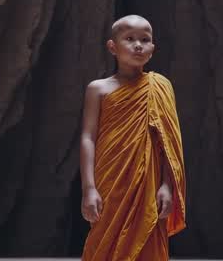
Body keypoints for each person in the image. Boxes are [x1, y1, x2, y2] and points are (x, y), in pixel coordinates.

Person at [79, 14, 186, 261]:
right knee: (105, 241)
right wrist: (89, 188)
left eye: (145, 40)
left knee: (147, 239)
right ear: (112, 47)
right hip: (110, 181)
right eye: (129, 39)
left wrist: (167, 186)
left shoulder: (160, 86)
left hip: (148, 185)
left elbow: (168, 144)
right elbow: (88, 138)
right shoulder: (98, 89)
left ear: (153, 48)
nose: (138, 45)